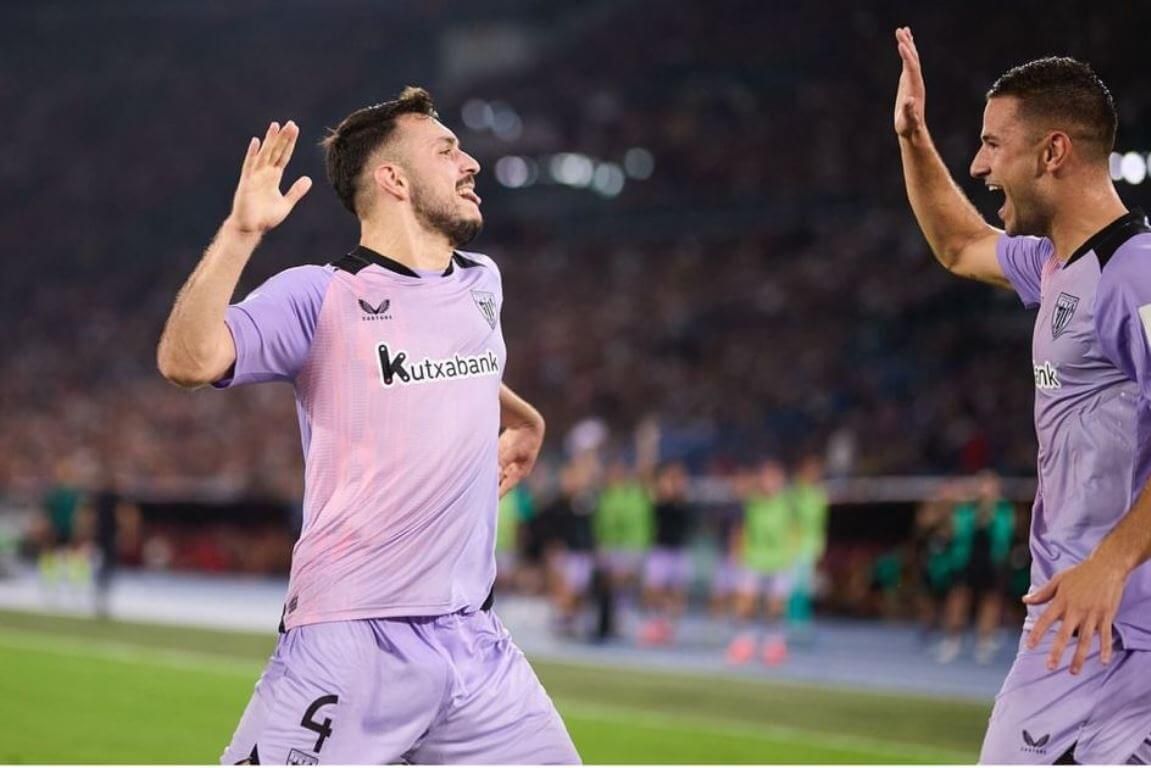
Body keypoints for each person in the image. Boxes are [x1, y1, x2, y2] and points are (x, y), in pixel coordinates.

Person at [157, 87, 579, 765]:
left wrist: (523, 417)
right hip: (353, 639)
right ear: (393, 179)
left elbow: (454, 361)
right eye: (447, 150)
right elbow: (185, 360)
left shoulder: (481, 283)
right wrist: (241, 234)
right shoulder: (318, 298)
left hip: (475, 646)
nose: (470, 163)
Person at [895, 27, 1151, 763]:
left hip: (1100, 633)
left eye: (990, 144)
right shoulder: (1052, 264)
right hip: (1092, 628)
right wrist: (913, 137)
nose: (977, 164)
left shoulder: (1132, 276)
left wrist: (1105, 566)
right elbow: (957, 245)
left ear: (1053, 152)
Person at [937, 472, 1015, 665]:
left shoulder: (1004, 510)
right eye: (984, 485)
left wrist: (990, 513)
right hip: (967, 560)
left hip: (991, 561)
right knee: (958, 599)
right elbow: (958, 530)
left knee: (989, 602)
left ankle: (984, 643)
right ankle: (952, 641)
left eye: (991, 486)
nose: (987, 490)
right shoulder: (966, 510)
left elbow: (1005, 535)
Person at [727, 459, 796, 666]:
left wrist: (791, 554)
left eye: (775, 478)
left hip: (779, 560)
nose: (771, 482)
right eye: (767, 477)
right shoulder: (751, 502)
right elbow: (740, 528)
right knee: (745, 603)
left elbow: (794, 530)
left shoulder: (787, 503)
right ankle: (744, 642)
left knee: (776, 606)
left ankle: (774, 645)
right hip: (753, 559)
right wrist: (736, 552)